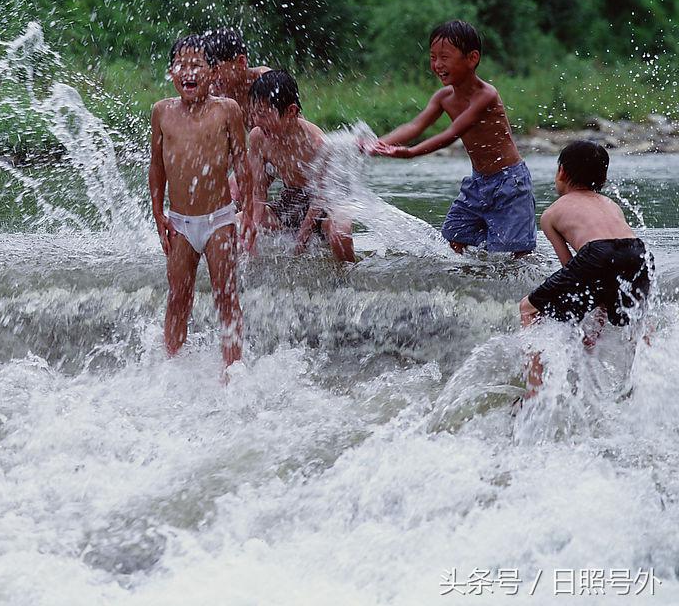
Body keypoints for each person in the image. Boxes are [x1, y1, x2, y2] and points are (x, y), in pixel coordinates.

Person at [372, 20, 536, 256]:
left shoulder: (486, 95)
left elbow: (452, 133)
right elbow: (415, 125)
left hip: (510, 183)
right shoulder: (443, 97)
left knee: (513, 256)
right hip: (479, 182)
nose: (437, 64)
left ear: (472, 58)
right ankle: (464, 288)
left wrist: (410, 153)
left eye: (445, 57)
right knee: (454, 239)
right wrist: (379, 143)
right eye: (432, 57)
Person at [149, 34, 254, 368]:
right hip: (180, 223)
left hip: (220, 220)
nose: (188, 71)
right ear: (171, 72)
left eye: (197, 65)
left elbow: (242, 162)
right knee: (178, 297)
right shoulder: (162, 112)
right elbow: (156, 164)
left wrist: (248, 212)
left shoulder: (227, 111)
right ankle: (172, 363)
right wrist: (157, 211)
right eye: (181, 64)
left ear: (211, 73)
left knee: (226, 294)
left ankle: (231, 368)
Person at [518, 141, 653, 397]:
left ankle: (533, 393)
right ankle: (645, 383)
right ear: (602, 177)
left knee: (529, 308)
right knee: (639, 319)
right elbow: (606, 274)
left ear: (561, 173)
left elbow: (574, 269)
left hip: (597, 252)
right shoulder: (611, 205)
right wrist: (595, 325)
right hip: (639, 253)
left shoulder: (552, 214)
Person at [247, 70, 355, 261]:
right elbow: (258, 190)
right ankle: (248, 279)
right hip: (292, 200)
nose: (257, 121)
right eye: (254, 113)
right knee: (238, 225)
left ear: (291, 112)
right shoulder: (258, 137)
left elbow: (322, 196)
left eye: (263, 115)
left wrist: (301, 239)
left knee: (341, 233)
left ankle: (344, 279)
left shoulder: (316, 142)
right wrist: (254, 228)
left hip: (327, 201)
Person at [203, 28, 272, 212]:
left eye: (217, 69)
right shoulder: (216, 94)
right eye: (208, 69)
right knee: (229, 193)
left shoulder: (266, 82)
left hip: (283, 154)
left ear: (241, 62)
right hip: (258, 154)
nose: (212, 77)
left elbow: (297, 127)